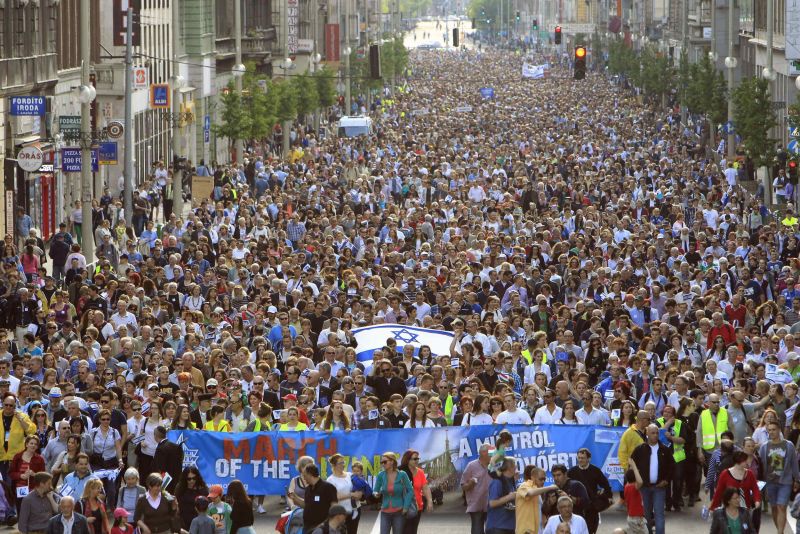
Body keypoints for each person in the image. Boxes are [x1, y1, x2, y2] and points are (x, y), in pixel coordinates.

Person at [629, 424, 674, 534]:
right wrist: (635, 482)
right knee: (646, 515)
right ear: (647, 434)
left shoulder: (665, 450)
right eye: (652, 433)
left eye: (657, 433)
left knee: (659, 514)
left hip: (659, 488)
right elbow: (631, 466)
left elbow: (672, 467)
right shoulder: (639, 450)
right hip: (644, 488)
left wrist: (666, 480)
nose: (655, 435)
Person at [758, 420, 800, 534]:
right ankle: (779, 529)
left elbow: (794, 463)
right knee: (774, 508)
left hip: (785, 482)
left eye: (774, 430)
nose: (771, 432)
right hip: (770, 482)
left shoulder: (788, 445)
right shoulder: (764, 447)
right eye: (769, 430)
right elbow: (760, 465)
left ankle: (780, 532)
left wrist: (797, 479)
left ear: (779, 430)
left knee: (781, 506)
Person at [567, 448, 612, 534]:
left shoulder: (595, 471)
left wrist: (609, 496)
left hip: (592, 506)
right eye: (579, 458)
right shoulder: (572, 472)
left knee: (591, 530)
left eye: (583, 458)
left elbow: (605, 484)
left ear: (589, 459)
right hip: (577, 506)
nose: (580, 460)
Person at [373, 451, 413, 534]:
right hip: (385, 512)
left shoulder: (402, 474)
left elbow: (410, 490)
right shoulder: (381, 475)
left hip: (399, 512)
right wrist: (376, 494)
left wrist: (406, 507)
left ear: (392, 462)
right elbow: (375, 490)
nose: (382, 464)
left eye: (385, 462)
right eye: (381, 462)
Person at [291, 464, 338, 533]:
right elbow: (306, 505)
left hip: (321, 528)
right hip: (307, 526)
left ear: (310, 474)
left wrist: (330, 524)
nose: (303, 478)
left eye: (304, 475)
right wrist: (295, 498)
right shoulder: (308, 489)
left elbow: (334, 507)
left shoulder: (328, 487)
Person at [326, 453, 363, 534]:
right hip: (340, 513)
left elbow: (359, 486)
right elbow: (333, 497)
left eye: (344, 462)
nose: (343, 465)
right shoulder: (330, 480)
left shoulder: (350, 475)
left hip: (355, 509)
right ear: (334, 465)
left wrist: (359, 494)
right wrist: (351, 495)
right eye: (341, 463)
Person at [460, 443, 492, 534]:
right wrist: (470, 484)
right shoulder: (471, 466)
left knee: (492, 531)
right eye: (491, 452)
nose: (493, 454)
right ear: (483, 453)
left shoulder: (495, 466)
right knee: (477, 531)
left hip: (492, 506)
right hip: (476, 506)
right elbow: (463, 486)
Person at [399, 449, 433, 534]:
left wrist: (429, 501)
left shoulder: (420, 472)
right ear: (407, 460)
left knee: (413, 531)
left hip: (417, 507)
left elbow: (425, 487)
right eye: (414, 459)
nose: (417, 461)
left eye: (418, 459)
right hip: (402, 507)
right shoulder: (400, 472)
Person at [515, 466, 552, 534]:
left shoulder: (538, 491)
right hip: (526, 531)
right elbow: (530, 493)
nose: (543, 481)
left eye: (544, 479)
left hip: (538, 530)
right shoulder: (524, 485)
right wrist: (550, 487)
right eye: (541, 479)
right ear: (532, 478)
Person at [486, 458, 517, 534]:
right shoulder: (497, 482)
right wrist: (509, 497)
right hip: (497, 527)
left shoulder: (510, 480)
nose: (516, 467)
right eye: (515, 465)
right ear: (510, 468)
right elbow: (492, 503)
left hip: (509, 525)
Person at [174, 467, 208, 531]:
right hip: (183, 522)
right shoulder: (180, 488)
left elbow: (207, 505)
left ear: (197, 477)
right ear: (185, 479)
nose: (192, 481)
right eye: (189, 479)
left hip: (199, 522)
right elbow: (176, 503)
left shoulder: (202, 489)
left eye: (194, 478)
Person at [150, 426, 183, 493]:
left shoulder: (160, 449)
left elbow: (159, 468)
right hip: (176, 480)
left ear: (155, 436)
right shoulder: (175, 446)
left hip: (165, 482)